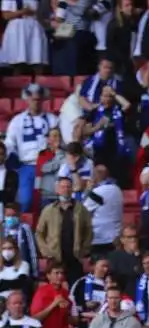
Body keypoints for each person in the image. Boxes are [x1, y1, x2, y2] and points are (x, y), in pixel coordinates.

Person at [5, 83, 58, 213]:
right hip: (26, 165)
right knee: (25, 201)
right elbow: (9, 142)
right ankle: (24, 230)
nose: (36, 102)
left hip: (48, 166)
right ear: (27, 100)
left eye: (38, 99)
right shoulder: (17, 121)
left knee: (48, 202)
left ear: (43, 100)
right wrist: (12, 159)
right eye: (33, 99)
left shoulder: (52, 119)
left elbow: (58, 141)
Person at [35, 176, 93, 285]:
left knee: (75, 287)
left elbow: (89, 231)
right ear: (57, 189)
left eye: (68, 187)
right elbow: (39, 233)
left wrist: (84, 250)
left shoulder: (81, 209)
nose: (65, 189)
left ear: (72, 189)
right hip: (55, 258)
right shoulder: (48, 210)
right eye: (62, 187)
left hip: (75, 258)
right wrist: (46, 251)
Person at [82, 165, 124, 257]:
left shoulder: (98, 192)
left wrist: (87, 190)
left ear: (95, 176)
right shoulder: (117, 189)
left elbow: (83, 211)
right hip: (115, 235)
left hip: (100, 238)